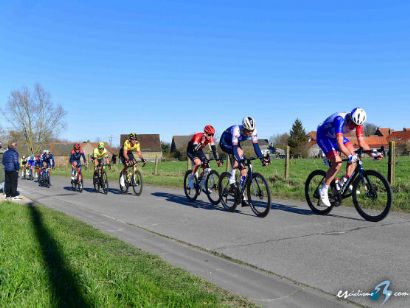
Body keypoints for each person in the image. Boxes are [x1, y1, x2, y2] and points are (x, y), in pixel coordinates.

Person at [316, 107, 383, 207]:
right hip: (324, 136)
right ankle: (324, 189)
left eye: (355, 125)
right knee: (338, 162)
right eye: (352, 123)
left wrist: (372, 153)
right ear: (350, 117)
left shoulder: (358, 124)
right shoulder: (340, 119)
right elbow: (339, 143)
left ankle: (342, 182)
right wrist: (350, 156)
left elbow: (361, 142)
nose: (353, 126)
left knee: (354, 156)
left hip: (336, 137)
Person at [219, 116, 270, 202]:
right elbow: (235, 149)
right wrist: (239, 160)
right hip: (225, 142)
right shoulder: (236, 130)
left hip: (235, 144)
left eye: (252, 131)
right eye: (248, 131)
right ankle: (232, 181)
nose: (250, 133)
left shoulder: (253, 130)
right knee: (239, 153)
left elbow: (256, 146)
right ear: (244, 127)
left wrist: (262, 159)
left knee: (244, 171)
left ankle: (240, 193)